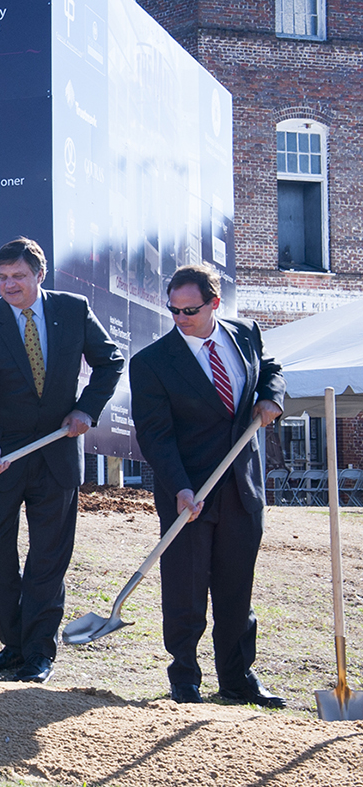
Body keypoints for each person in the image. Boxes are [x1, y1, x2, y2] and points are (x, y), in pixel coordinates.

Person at [0, 236, 125, 684]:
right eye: (2, 277)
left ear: (40, 275)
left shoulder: (73, 310)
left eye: (18, 276)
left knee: (49, 555)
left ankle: (38, 652)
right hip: (0, 457)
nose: (9, 285)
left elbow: (111, 361)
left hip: (56, 453)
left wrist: (86, 409)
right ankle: (12, 646)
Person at [130, 263, 286, 707]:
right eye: (173, 310)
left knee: (237, 588)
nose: (180, 318)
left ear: (214, 303)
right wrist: (179, 487)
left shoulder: (245, 334)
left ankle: (238, 678)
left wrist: (271, 394)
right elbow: (155, 436)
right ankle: (185, 676)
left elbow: (269, 367)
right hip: (189, 492)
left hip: (242, 488)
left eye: (190, 310)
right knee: (186, 587)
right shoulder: (152, 363)